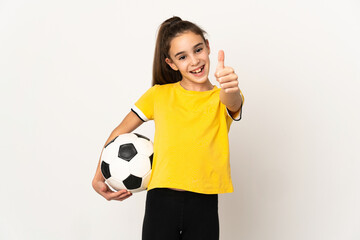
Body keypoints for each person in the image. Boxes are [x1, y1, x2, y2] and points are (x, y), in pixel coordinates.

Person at [92, 16, 244, 240]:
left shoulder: (221, 97)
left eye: (198, 50)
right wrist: (99, 176)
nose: (194, 61)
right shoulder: (159, 95)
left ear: (208, 47)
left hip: (205, 202)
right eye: (182, 57)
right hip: (161, 202)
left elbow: (233, 101)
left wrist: (230, 86)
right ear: (171, 63)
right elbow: (119, 132)